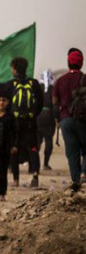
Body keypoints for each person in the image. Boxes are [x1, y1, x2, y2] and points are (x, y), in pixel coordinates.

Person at [0, 58, 44, 189]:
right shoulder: (34, 83)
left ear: (14, 69)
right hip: (30, 121)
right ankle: (35, 175)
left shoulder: (10, 84)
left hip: (15, 121)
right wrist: (33, 115)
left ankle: (15, 179)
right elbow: (40, 103)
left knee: (14, 148)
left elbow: (5, 104)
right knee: (33, 148)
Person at [52, 48, 86, 191]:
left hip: (66, 120)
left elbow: (54, 102)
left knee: (72, 153)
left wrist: (58, 120)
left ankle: (76, 181)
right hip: (83, 120)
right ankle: (84, 173)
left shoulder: (60, 80)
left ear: (68, 62)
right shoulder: (84, 79)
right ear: (81, 63)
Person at [36, 69, 56, 171]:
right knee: (49, 142)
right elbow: (55, 105)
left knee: (37, 142)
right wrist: (58, 118)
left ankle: (35, 165)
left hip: (38, 118)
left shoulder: (37, 88)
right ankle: (45, 164)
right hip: (49, 118)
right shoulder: (53, 89)